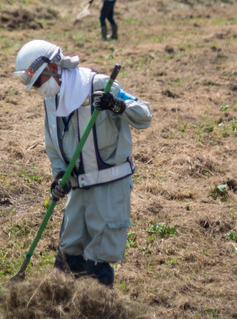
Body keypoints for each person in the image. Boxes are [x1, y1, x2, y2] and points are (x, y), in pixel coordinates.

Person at [14, 39, 152, 287]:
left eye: (39, 83)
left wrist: (116, 105)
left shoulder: (98, 84)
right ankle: (63, 309)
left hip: (110, 185)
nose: (38, 90)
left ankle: (98, 312)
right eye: (34, 87)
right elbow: (53, 145)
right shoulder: (51, 100)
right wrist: (59, 177)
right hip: (78, 187)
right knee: (69, 250)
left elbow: (144, 115)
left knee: (98, 258)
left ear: (54, 69)